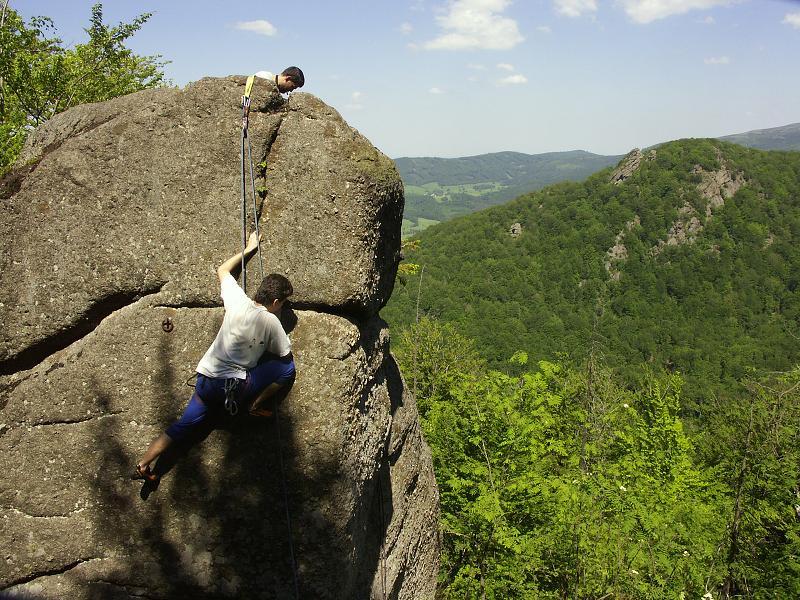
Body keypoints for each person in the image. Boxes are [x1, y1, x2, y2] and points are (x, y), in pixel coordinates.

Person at [132, 231, 295, 482]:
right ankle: (256, 405)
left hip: (206, 381)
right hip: (232, 387)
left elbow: (222, 270)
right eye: (282, 303)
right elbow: (284, 354)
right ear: (275, 301)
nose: (282, 307)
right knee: (287, 369)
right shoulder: (270, 320)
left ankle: (144, 464)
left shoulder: (237, 300)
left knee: (182, 427)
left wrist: (250, 248)